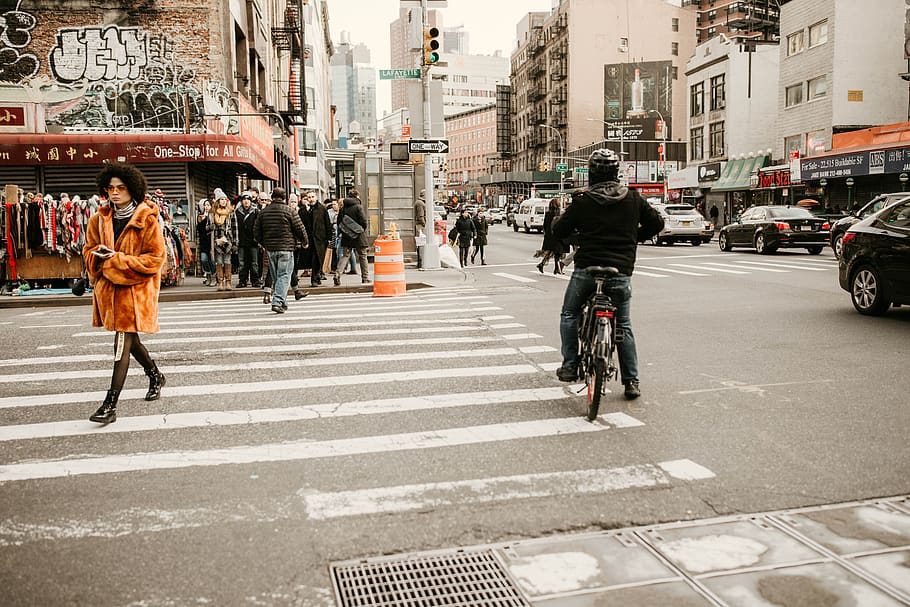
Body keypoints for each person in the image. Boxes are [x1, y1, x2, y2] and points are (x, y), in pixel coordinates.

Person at [552, 149, 664, 400]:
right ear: (617, 173)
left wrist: (576, 235)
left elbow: (559, 230)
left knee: (569, 313)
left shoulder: (583, 200)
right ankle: (631, 381)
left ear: (591, 173)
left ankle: (570, 364)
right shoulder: (633, 199)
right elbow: (657, 224)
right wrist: (634, 238)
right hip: (620, 271)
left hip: (587, 269)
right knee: (623, 324)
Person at [83, 161, 167, 424]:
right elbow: (88, 252)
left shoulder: (147, 220)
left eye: (120, 188)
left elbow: (155, 259)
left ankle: (110, 405)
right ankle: (155, 375)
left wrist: (117, 261)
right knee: (131, 342)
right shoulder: (98, 219)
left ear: (133, 189)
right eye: (110, 188)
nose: (115, 193)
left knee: (121, 344)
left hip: (136, 291)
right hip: (110, 291)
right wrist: (98, 258)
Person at [254, 187, 309, 313]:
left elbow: (256, 232)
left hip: (271, 249)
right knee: (284, 275)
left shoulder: (263, 212)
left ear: (272, 197)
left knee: (277, 276)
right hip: (286, 247)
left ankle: (283, 302)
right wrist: (305, 241)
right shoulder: (289, 211)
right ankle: (277, 301)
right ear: (284, 198)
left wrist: (264, 243)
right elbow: (300, 228)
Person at [334, 188, 370, 285]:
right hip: (358, 235)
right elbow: (364, 221)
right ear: (357, 196)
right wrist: (360, 229)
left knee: (345, 255)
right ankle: (365, 277)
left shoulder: (343, 208)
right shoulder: (358, 207)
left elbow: (339, 222)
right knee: (363, 256)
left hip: (347, 235)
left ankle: (337, 274)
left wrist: (345, 231)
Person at [208, 188, 238, 291]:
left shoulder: (230, 213)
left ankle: (228, 282)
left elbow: (235, 228)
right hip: (217, 240)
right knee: (219, 261)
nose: (223, 201)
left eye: (225, 199)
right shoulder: (212, 214)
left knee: (227, 260)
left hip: (228, 240)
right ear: (217, 201)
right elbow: (207, 228)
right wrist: (211, 226)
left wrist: (235, 243)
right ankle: (220, 282)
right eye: (221, 199)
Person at [234, 192, 261, 288]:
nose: (246, 201)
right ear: (241, 201)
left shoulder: (256, 211)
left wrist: (258, 239)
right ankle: (242, 280)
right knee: (242, 263)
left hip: (253, 241)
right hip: (241, 240)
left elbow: (258, 226)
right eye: (244, 199)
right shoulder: (237, 212)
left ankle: (255, 280)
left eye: (248, 199)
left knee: (254, 263)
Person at [304, 192, 331, 287]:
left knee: (318, 258)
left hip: (320, 238)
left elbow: (327, 223)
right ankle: (317, 276)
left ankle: (315, 278)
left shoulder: (321, 208)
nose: (311, 199)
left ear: (316, 197)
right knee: (313, 259)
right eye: (309, 197)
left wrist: (329, 238)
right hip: (310, 239)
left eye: (312, 197)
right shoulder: (306, 209)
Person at [538, 198, 567, 274]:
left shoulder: (548, 213)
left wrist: (545, 232)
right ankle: (556, 268)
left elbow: (544, 225)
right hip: (556, 234)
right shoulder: (558, 213)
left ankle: (542, 264)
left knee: (552, 251)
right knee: (558, 252)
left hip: (549, 235)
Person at [196, 199, 215, 286]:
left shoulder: (212, 216)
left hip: (211, 241)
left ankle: (213, 277)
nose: (206, 207)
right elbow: (199, 230)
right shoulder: (200, 216)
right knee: (204, 259)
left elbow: (212, 228)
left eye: (208, 205)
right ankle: (208, 275)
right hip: (203, 242)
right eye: (205, 205)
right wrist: (201, 221)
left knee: (212, 260)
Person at [414, 189, 427, 268]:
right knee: (421, 244)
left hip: (420, 225)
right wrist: (425, 224)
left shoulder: (420, 203)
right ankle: (420, 262)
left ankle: (421, 261)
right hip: (420, 226)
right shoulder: (420, 203)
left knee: (421, 244)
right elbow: (420, 216)